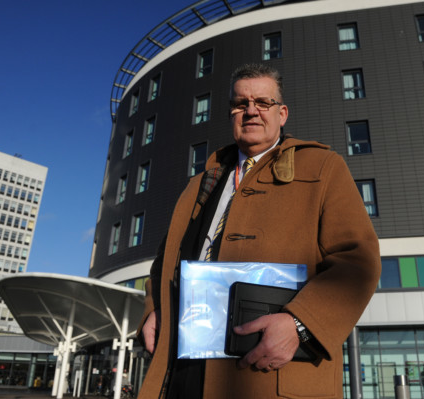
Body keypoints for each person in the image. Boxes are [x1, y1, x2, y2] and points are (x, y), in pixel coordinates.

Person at [138, 63, 381, 398]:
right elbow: (165, 262)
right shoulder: (200, 184)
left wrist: (300, 324)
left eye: (262, 103)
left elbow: (357, 260)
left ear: (282, 113)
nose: (251, 111)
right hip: (186, 370)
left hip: (269, 373)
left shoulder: (324, 167)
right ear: (231, 114)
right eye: (240, 104)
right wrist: (156, 309)